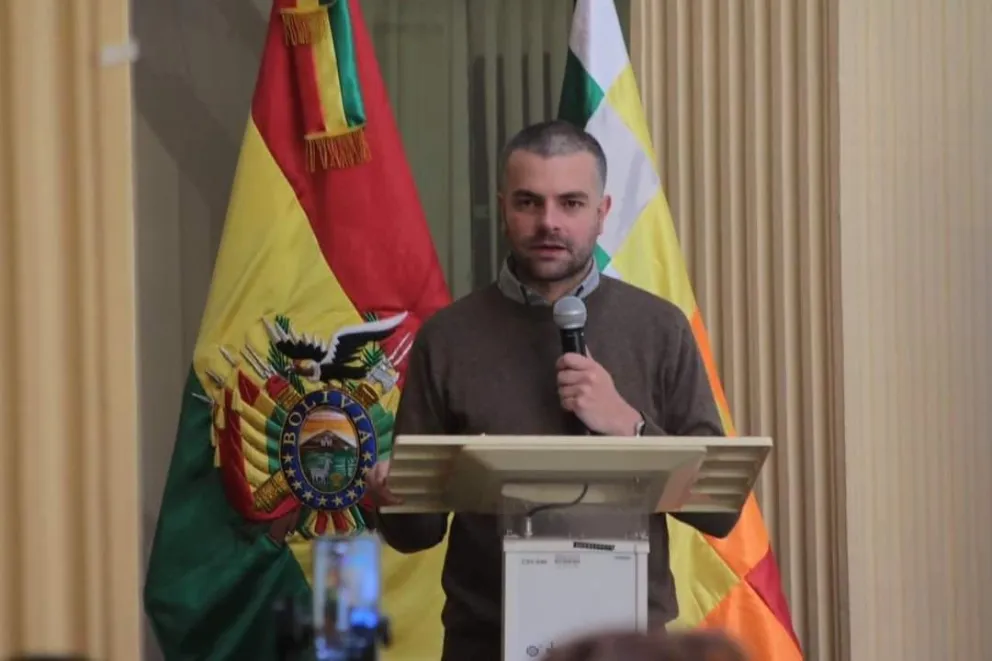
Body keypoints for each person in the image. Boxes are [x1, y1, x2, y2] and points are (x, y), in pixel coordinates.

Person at [365, 119, 741, 660]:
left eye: (570, 203)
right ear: (502, 208)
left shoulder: (660, 327)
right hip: (484, 645)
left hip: (627, 646)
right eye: (528, 202)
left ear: (602, 213)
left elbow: (718, 512)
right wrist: (390, 499)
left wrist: (629, 426)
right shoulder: (447, 338)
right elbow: (416, 533)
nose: (549, 222)